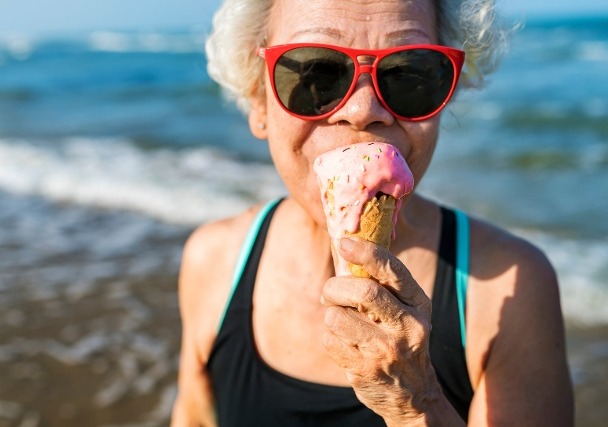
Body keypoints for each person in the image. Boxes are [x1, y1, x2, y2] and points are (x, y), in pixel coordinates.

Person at [171, 0, 574, 425]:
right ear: (258, 98)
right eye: (316, 73)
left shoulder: (510, 286)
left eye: (408, 73)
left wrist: (418, 403)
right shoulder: (214, 260)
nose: (363, 110)